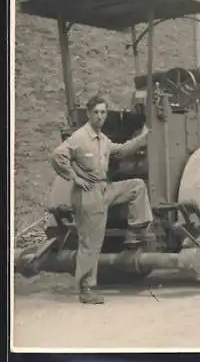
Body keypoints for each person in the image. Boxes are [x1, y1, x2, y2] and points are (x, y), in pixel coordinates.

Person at [50, 93, 153, 304]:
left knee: (136, 186)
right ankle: (86, 288)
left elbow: (122, 150)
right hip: (88, 195)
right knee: (90, 244)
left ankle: (135, 233)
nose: (100, 116)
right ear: (89, 114)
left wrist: (144, 137)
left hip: (104, 189)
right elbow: (57, 156)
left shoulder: (103, 139)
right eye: (96, 112)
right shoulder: (80, 138)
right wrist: (74, 178)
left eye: (103, 112)